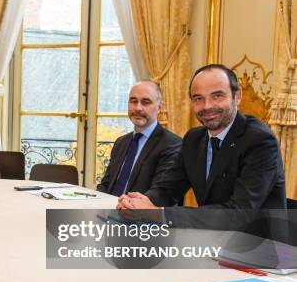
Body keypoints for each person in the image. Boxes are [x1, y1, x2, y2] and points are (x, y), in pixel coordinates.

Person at [117, 64, 286, 237]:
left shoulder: (260, 141)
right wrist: (139, 202)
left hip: (260, 250)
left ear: (237, 96)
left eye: (217, 96)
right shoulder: (194, 138)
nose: (207, 106)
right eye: (198, 98)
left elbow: (237, 214)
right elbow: (168, 187)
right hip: (212, 241)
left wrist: (158, 214)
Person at [97, 80, 181, 197]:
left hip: (141, 213)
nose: (138, 108)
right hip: (107, 211)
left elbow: (161, 194)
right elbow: (106, 185)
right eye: (133, 101)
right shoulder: (121, 142)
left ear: (159, 107)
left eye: (145, 102)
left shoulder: (173, 145)